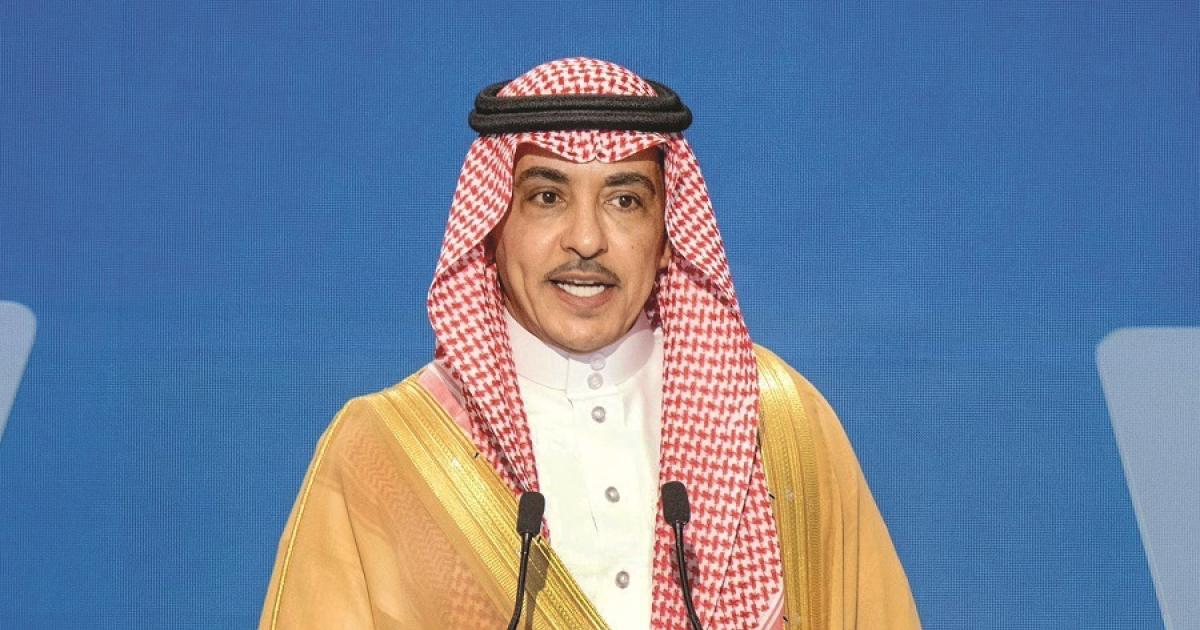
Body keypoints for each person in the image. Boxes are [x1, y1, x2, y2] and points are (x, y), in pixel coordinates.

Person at [259, 57, 921, 630]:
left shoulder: (778, 425)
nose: (585, 239)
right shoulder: (383, 452)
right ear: (493, 228)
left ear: (668, 236)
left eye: (625, 201)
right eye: (547, 197)